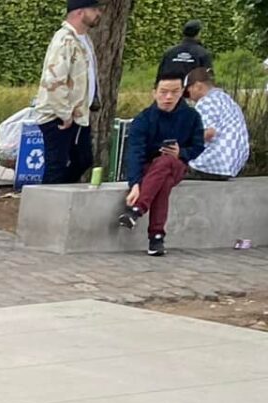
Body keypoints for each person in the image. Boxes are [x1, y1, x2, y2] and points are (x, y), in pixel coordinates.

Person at [117, 75, 206, 257]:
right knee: (162, 181)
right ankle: (156, 238)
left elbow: (198, 147)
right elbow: (135, 152)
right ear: (154, 93)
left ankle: (137, 210)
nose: (168, 97)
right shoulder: (143, 119)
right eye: (163, 92)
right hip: (150, 170)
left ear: (182, 92)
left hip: (177, 165)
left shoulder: (192, 117)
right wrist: (134, 184)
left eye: (174, 92)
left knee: (166, 162)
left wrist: (180, 153)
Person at [29, 0, 103, 186]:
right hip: (59, 116)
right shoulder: (64, 40)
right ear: (79, 12)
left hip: (78, 114)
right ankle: (47, 205)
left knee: (83, 159)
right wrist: (64, 113)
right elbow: (54, 79)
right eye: (93, 9)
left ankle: (62, 194)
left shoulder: (84, 39)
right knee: (56, 165)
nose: (98, 13)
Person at [185, 67, 248, 181]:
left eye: (188, 90)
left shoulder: (206, 101)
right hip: (232, 164)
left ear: (198, 86)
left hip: (212, 164)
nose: (188, 96)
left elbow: (208, 133)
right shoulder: (226, 98)